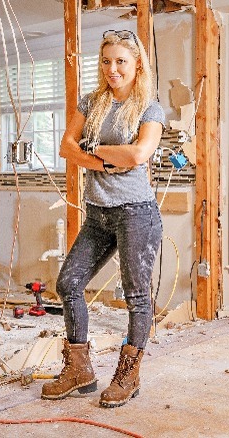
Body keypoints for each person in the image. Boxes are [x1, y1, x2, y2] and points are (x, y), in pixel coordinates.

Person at [40, 29, 166, 408]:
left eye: (121, 61)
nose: (113, 69)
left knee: (136, 297)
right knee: (68, 283)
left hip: (136, 213)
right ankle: (80, 370)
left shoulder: (149, 107)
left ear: (137, 64)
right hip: (98, 212)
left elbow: (139, 154)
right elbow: (66, 146)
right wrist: (107, 158)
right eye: (107, 61)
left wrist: (93, 151)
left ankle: (128, 376)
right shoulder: (91, 102)